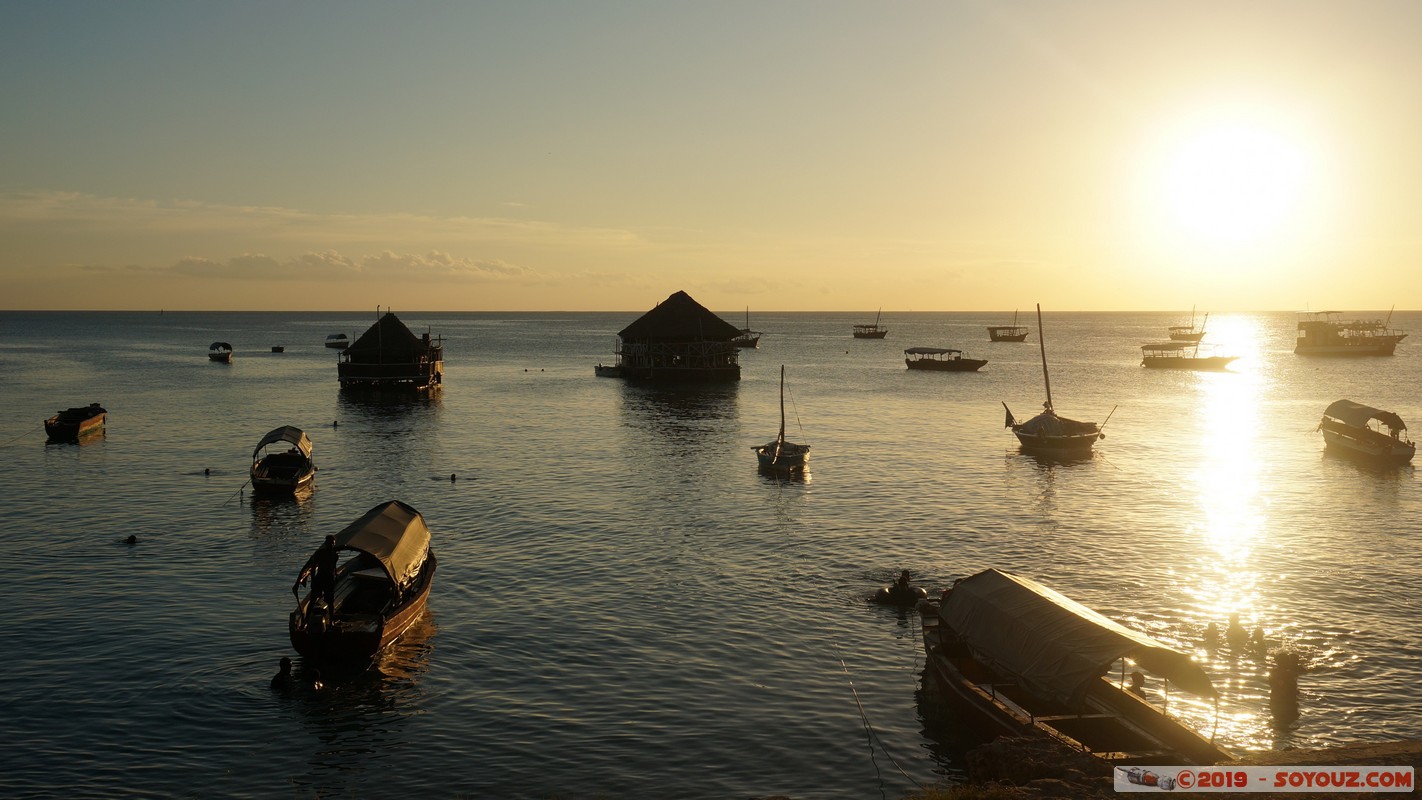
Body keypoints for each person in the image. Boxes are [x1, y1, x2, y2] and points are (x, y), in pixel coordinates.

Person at [296, 535, 339, 611]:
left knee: (330, 602)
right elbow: (313, 568)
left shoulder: (335, 555)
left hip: (329, 580)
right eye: (329, 543)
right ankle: (306, 620)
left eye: (332, 543)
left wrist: (335, 576)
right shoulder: (319, 553)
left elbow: (333, 568)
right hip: (319, 578)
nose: (331, 545)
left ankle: (331, 621)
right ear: (326, 543)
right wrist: (313, 580)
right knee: (313, 600)